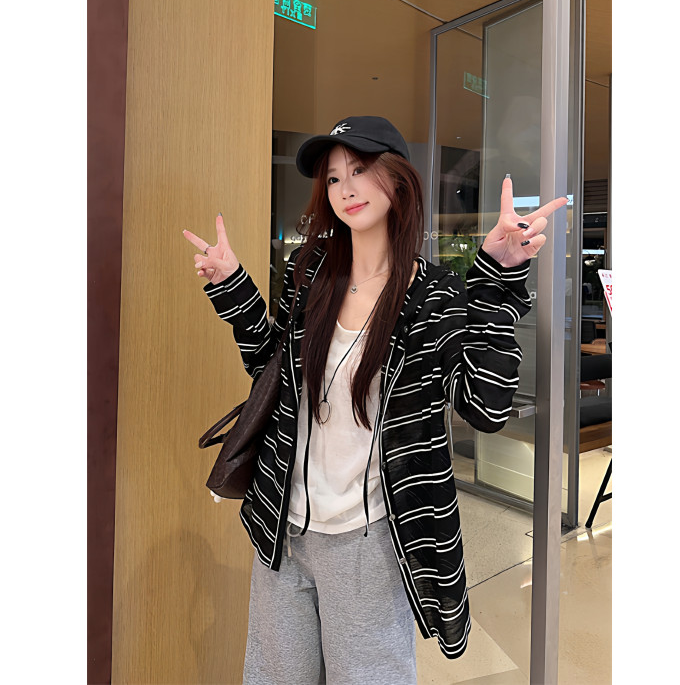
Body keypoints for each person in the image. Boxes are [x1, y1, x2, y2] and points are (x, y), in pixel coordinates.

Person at [183, 116, 567, 685]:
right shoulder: (310, 272)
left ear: (398, 180)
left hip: (367, 540)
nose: (346, 188)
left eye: (360, 170)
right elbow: (273, 372)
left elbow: (486, 408)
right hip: (282, 528)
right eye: (334, 177)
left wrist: (497, 281)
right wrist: (233, 286)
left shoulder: (432, 294)